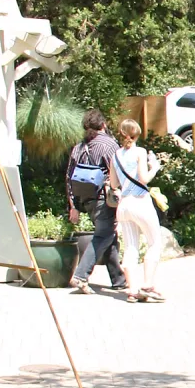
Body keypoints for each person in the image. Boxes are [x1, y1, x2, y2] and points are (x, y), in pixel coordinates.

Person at [64, 109, 128, 294]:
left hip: (86, 200)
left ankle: (119, 279)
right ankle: (80, 276)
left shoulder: (79, 147)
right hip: (104, 199)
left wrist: (73, 206)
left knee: (108, 235)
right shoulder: (109, 145)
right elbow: (120, 171)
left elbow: (69, 177)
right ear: (103, 125)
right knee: (103, 235)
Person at [107, 120, 165, 302]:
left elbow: (114, 183)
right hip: (140, 201)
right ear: (136, 134)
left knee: (130, 247)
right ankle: (147, 285)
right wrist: (154, 167)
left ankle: (132, 290)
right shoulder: (139, 152)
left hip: (123, 205)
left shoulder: (115, 155)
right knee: (155, 242)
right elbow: (144, 178)